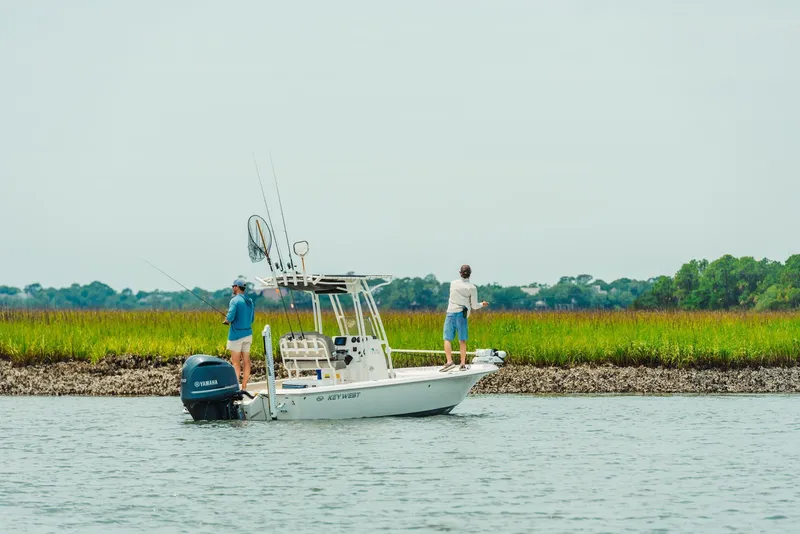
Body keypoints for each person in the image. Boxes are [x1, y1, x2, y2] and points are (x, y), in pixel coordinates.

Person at [441, 264, 488, 372]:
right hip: (462, 315)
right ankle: (462, 364)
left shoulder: (453, 283)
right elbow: (474, 306)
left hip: (450, 313)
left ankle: (449, 362)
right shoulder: (472, 288)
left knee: (447, 339)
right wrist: (482, 304)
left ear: (460, 273)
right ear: (470, 274)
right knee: (462, 340)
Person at [223, 279, 255, 390]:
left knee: (236, 362)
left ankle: (236, 387)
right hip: (248, 335)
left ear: (237, 287)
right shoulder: (250, 301)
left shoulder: (234, 300)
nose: (232, 288)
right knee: (246, 361)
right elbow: (252, 319)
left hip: (236, 336)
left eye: (233, 286)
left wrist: (226, 320)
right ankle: (244, 386)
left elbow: (230, 316)